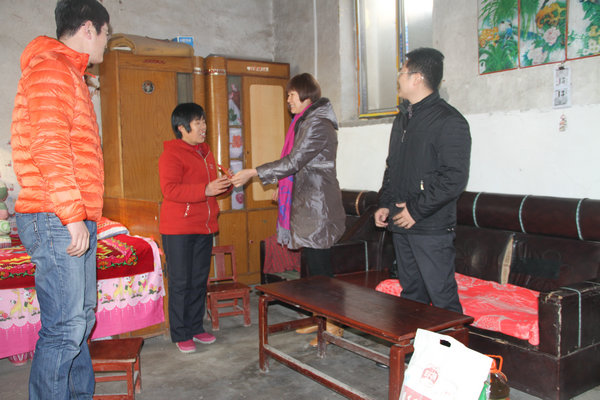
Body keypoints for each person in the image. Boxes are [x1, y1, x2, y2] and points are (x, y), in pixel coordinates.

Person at [10, 0, 110, 398]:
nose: (106, 42)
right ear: (88, 28)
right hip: (55, 214)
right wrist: (71, 215)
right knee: (65, 328)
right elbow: (49, 147)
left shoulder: (71, 74)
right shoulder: (52, 69)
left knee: (80, 321)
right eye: (106, 33)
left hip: (70, 212)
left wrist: (85, 215)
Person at [231, 73, 346, 344]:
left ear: (306, 95)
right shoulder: (305, 121)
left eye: (291, 95)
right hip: (308, 205)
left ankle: (334, 324)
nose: (288, 101)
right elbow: (298, 166)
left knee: (321, 271)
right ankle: (319, 318)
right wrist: (285, 190)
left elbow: (294, 161)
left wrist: (253, 172)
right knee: (312, 270)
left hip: (318, 207)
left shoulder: (318, 124)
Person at [374, 48, 471, 314]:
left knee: (442, 300)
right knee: (411, 296)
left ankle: (450, 344)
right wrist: (385, 203)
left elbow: (454, 178)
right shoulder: (403, 118)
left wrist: (415, 211)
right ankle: (414, 343)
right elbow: (393, 166)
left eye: (402, 72)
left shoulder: (449, 121)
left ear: (417, 78)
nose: (398, 78)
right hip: (401, 222)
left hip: (431, 226)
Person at [159, 103, 231, 354]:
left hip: (204, 226)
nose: (203, 127)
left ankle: (195, 326)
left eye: (204, 121)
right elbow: (170, 190)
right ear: (181, 127)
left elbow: (211, 189)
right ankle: (181, 333)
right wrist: (205, 190)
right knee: (181, 281)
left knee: (199, 280)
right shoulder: (171, 154)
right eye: (197, 122)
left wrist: (226, 184)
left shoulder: (206, 152)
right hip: (178, 228)